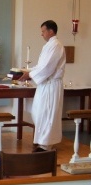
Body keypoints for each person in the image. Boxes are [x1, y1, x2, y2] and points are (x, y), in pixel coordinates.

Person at [19, 20, 66, 152]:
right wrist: (27, 72)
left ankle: (46, 145)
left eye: (43, 31)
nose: (42, 34)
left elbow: (47, 67)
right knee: (38, 112)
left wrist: (30, 75)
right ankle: (41, 142)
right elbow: (41, 66)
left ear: (51, 31)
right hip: (44, 85)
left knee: (48, 113)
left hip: (51, 85)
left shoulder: (56, 45)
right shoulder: (49, 46)